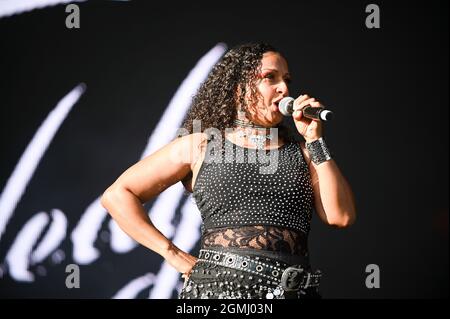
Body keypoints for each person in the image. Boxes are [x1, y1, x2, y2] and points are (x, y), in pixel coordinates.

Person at [101, 43, 356, 299]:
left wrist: (315, 141)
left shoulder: (304, 152)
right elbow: (117, 195)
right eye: (270, 77)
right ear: (238, 88)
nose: (285, 89)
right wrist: (173, 254)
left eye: (287, 79)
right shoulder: (201, 145)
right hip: (218, 293)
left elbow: (341, 216)